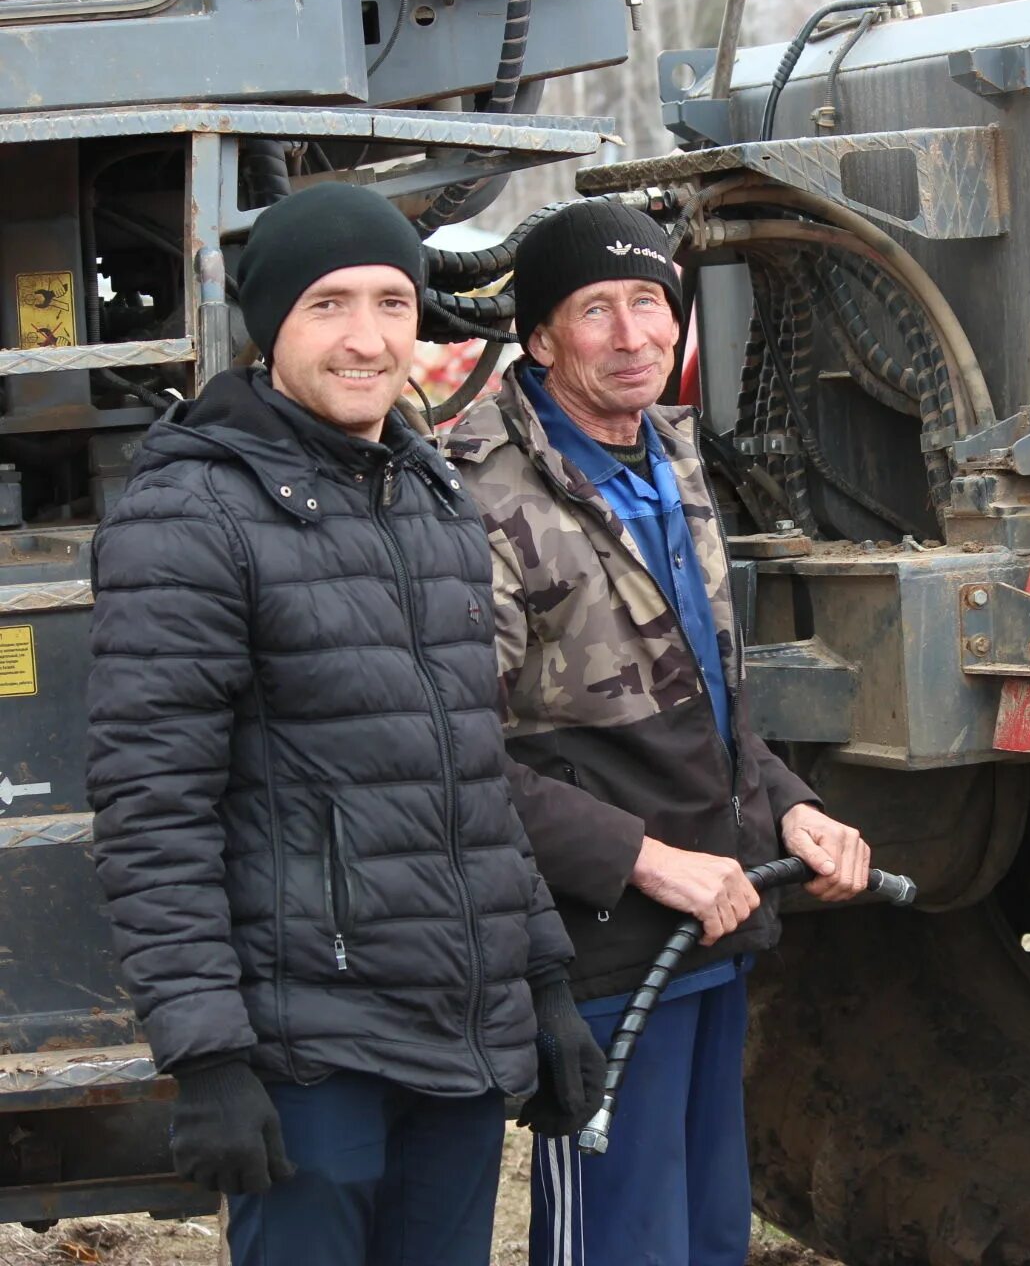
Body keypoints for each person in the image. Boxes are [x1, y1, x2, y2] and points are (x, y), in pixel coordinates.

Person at [86, 183, 604, 1266]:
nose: (367, 339)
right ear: (269, 326)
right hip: (305, 1043)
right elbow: (153, 812)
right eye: (328, 304)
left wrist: (544, 981)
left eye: (392, 302)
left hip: (455, 1031)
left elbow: (473, 775)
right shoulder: (190, 514)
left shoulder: (429, 495)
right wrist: (210, 1057)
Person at [443, 200, 873, 1266]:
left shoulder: (666, 459)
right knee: (622, 1238)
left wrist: (793, 806)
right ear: (539, 337)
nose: (635, 334)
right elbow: (448, 758)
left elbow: (703, 701)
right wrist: (644, 860)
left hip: (709, 924)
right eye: (598, 309)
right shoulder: (477, 494)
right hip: (592, 940)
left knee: (708, 1232)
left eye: (652, 302)